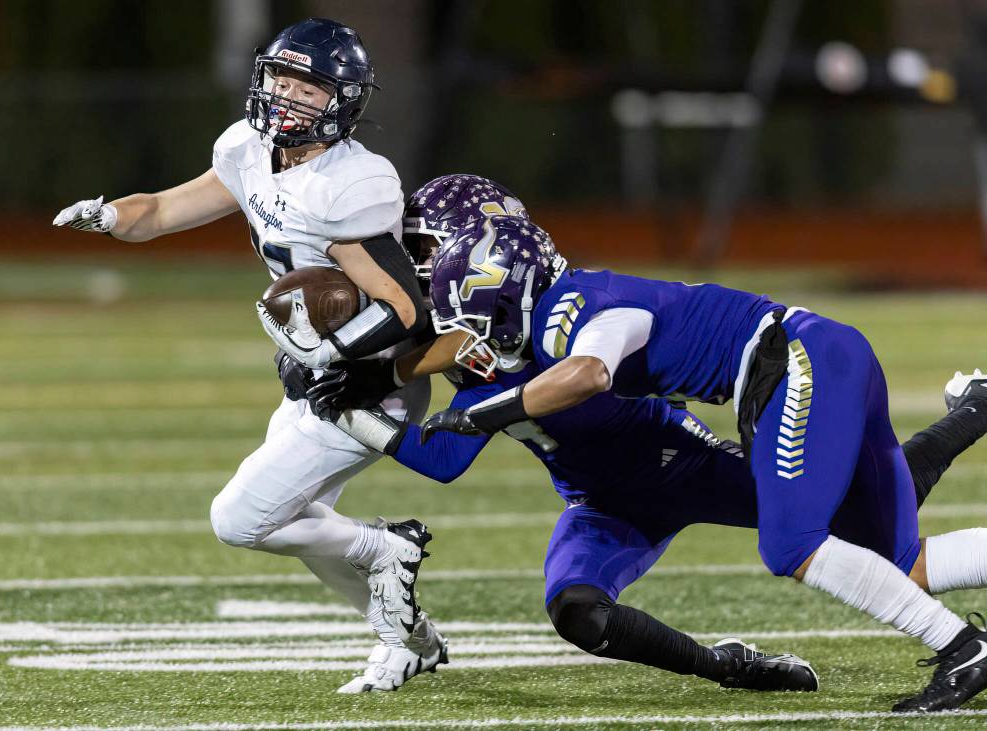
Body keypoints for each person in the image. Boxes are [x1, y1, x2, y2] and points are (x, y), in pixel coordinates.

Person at [312, 212, 987, 711]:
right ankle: (732, 666)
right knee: (896, 560)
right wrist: (347, 397)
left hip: (773, 375)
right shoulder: (513, 338)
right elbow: (444, 450)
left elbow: (587, 373)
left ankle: (966, 648)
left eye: (435, 263)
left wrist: (481, 408)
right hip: (617, 491)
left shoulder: (571, 309)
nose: (460, 331)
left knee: (797, 541)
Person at [52, 18, 444, 693]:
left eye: (309, 87)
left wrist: (326, 352)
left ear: (342, 101)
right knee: (299, 520)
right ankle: (410, 640)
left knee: (241, 518)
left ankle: (389, 547)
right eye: (282, 79)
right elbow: (162, 210)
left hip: (370, 382)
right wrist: (110, 217)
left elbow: (403, 308)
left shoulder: (348, 181)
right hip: (318, 372)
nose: (288, 97)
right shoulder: (246, 149)